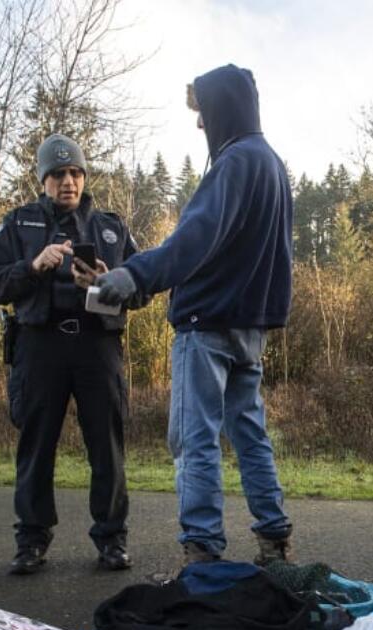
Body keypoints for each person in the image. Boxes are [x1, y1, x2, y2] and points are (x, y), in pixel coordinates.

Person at [94, 64, 295, 566]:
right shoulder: (271, 163)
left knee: (194, 439)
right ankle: (274, 541)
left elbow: (194, 240)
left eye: (202, 113)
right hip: (249, 328)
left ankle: (202, 555)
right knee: (249, 432)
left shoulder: (234, 163)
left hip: (207, 326)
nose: (200, 125)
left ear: (222, 108)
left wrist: (134, 275)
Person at [0, 134, 148, 575]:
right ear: (43, 180)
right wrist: (32, 267)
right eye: (57, 175)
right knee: (36, 445)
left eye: (74, 173)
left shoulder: (112, 228)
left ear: (84, 176)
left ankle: (112, 539)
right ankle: (31, 540)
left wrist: (113, 281)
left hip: (97, 346)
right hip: (40, 344)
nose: (68, 182)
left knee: (107, 446)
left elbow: (143, 288)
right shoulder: (18, 225)